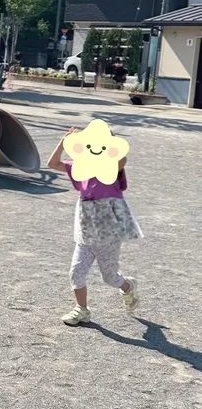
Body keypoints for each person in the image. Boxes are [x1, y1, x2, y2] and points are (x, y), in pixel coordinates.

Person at [47, 128, 142, 327]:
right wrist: (64, 143)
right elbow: (53, 164)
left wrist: (107, 140)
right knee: (76, 272)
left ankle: (128, 286)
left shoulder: (110, 168)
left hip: (108, 235)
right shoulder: (79, 168)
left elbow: (121, 160)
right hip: (86, 233)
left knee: (110, 278)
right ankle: (82, 309)